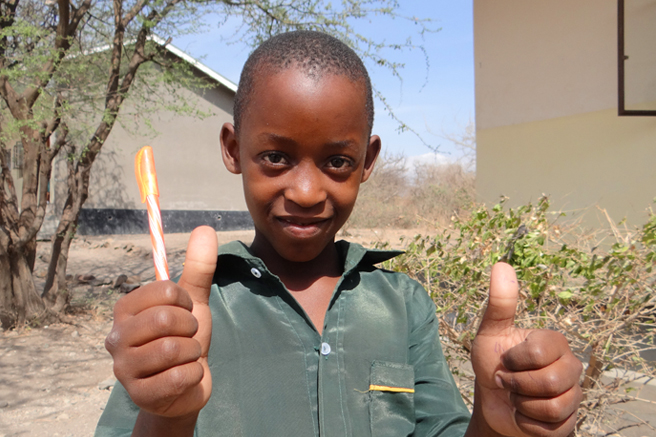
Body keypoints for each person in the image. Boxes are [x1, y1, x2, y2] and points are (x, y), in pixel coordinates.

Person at [95, 31, 582, 437]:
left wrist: (496, 424)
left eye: (337, 162)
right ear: (233, 149)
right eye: (276, 157)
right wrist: (168, 415)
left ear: (367, 162)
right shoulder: (180, 319)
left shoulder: (403, 305)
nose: (306, 191)